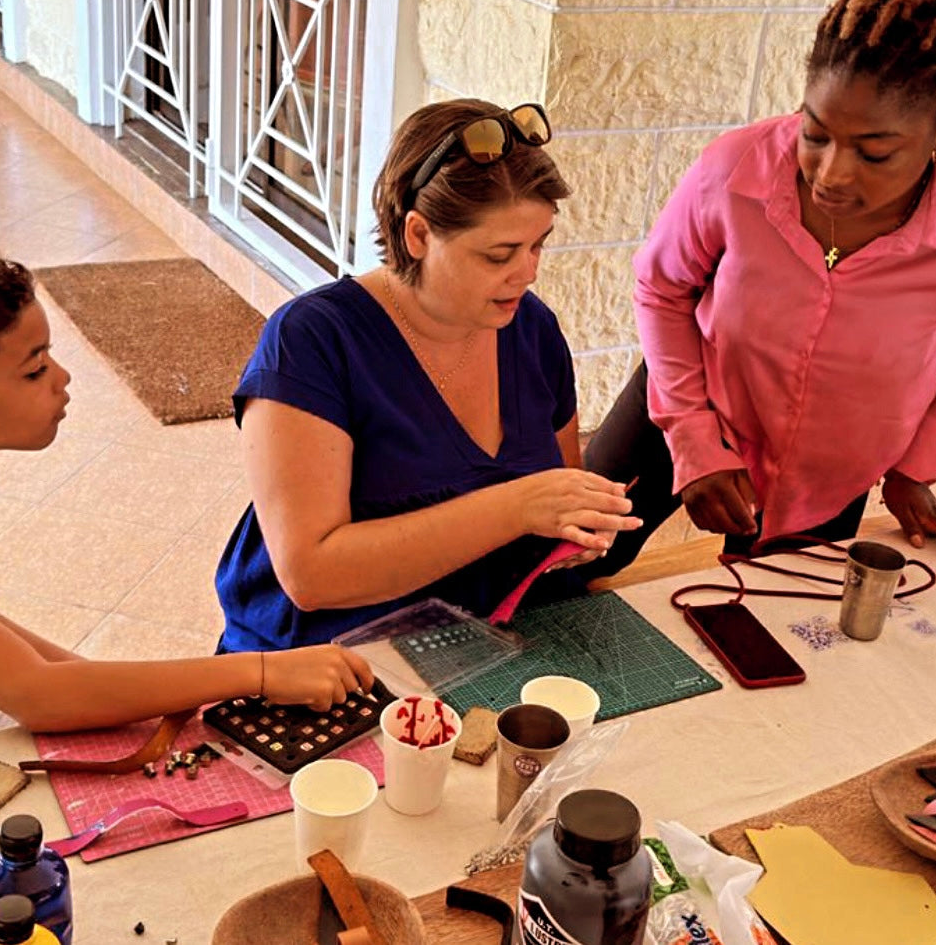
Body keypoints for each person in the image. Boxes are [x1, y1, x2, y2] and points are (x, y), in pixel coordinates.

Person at [585, 0, 936, 568]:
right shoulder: (736, 169)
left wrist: (923, 462)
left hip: (833, 463)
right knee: (564, 558)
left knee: (775, 608)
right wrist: (693, 439)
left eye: (875, 153)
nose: (831, 174)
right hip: (692, 392)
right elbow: (660, 288)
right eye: (815, 133)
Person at [0, 237, 372, 751]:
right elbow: (35, 692)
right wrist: (259, 671)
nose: (62, 378)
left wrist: (96, 685)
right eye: (34, 370)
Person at [215, 99, 640, 653]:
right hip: (326, 668)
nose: (528, 271)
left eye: (538, 245)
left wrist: (575, 528)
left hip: (485, 644)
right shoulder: (313, 340)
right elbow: (311, 575)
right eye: (499, 254)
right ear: (417, 235)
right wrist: (517, 507)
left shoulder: (531, 330)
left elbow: (554, 497)